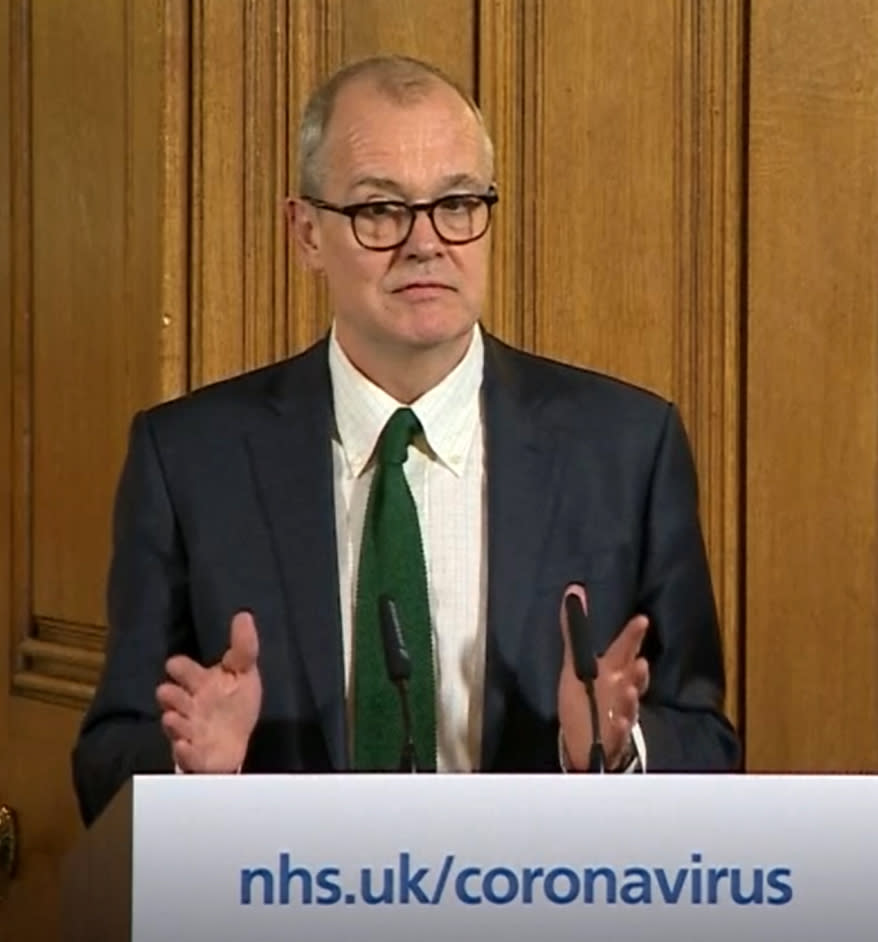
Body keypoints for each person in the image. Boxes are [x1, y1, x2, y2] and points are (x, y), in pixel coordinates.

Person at [71, 54, 739, 828]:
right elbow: (106, 761)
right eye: (380, 211)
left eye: (457, 203)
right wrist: (194, 773)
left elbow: (707, 746)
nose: (426, 242)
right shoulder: (189, 459)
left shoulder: (627, 448)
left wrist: (615, 754)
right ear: (306, 232)